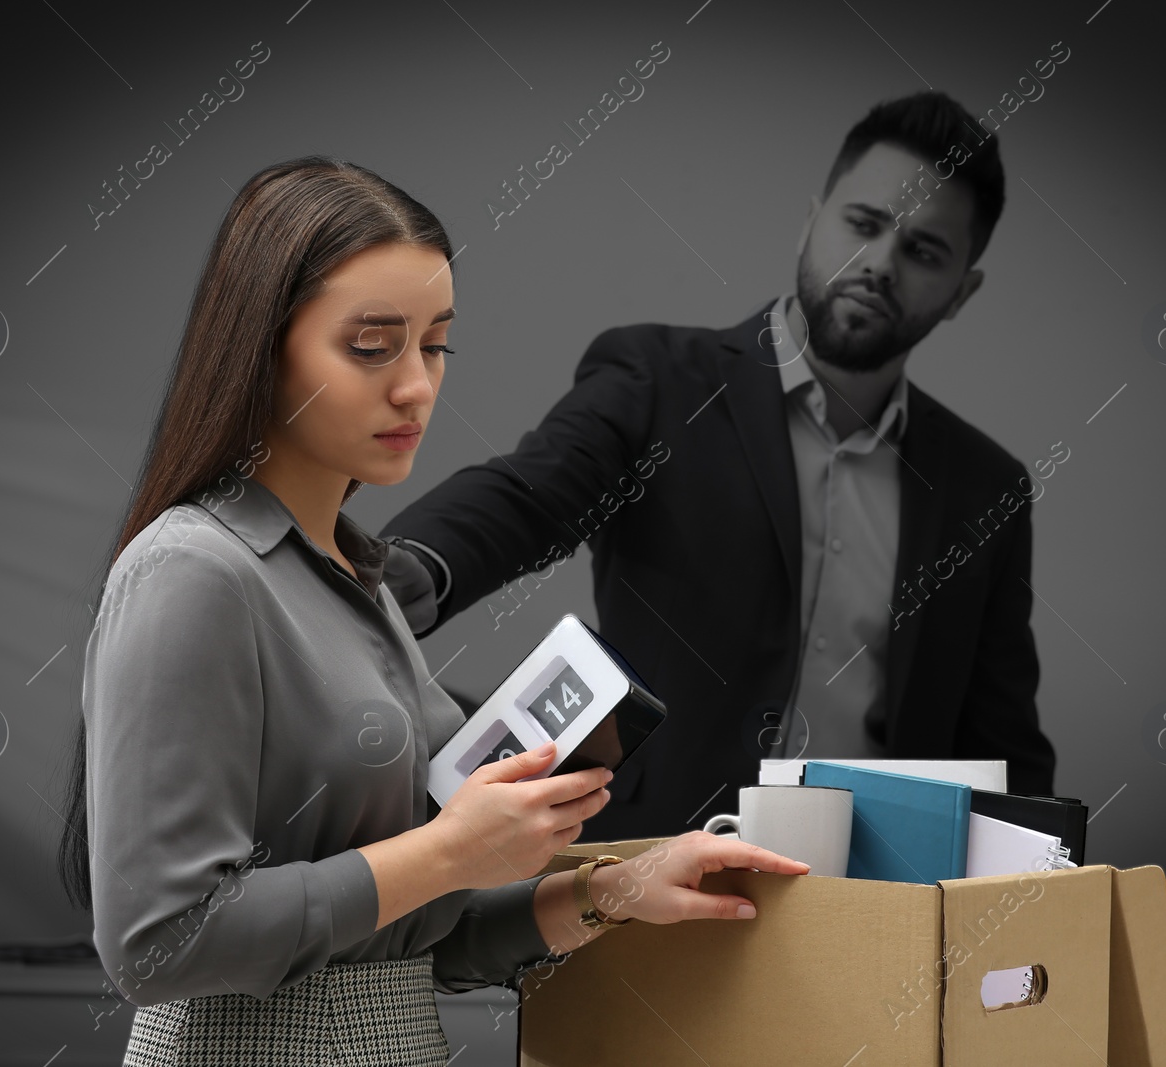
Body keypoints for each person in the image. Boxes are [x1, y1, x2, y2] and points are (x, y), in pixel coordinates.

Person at [53, 156, 808, 1066]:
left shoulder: (359, 580)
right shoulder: (193, 572)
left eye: (435, 343)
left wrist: (610, 888)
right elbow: (158, 940)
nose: (416, 385)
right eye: (372, 346)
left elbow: (417, 939)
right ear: (260, 346)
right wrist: (450, 850)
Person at [380, 90, 1058, 844]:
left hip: (870, 896)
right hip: (651, 862)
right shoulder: (659, 381)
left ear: (962, 292)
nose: (880, 264)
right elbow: (529, 494)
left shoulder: (983, 489)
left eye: (924, 251)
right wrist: (411, 568)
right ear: (813, 218)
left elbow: (1003, 739)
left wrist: (1028, 899)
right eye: (863, 225)